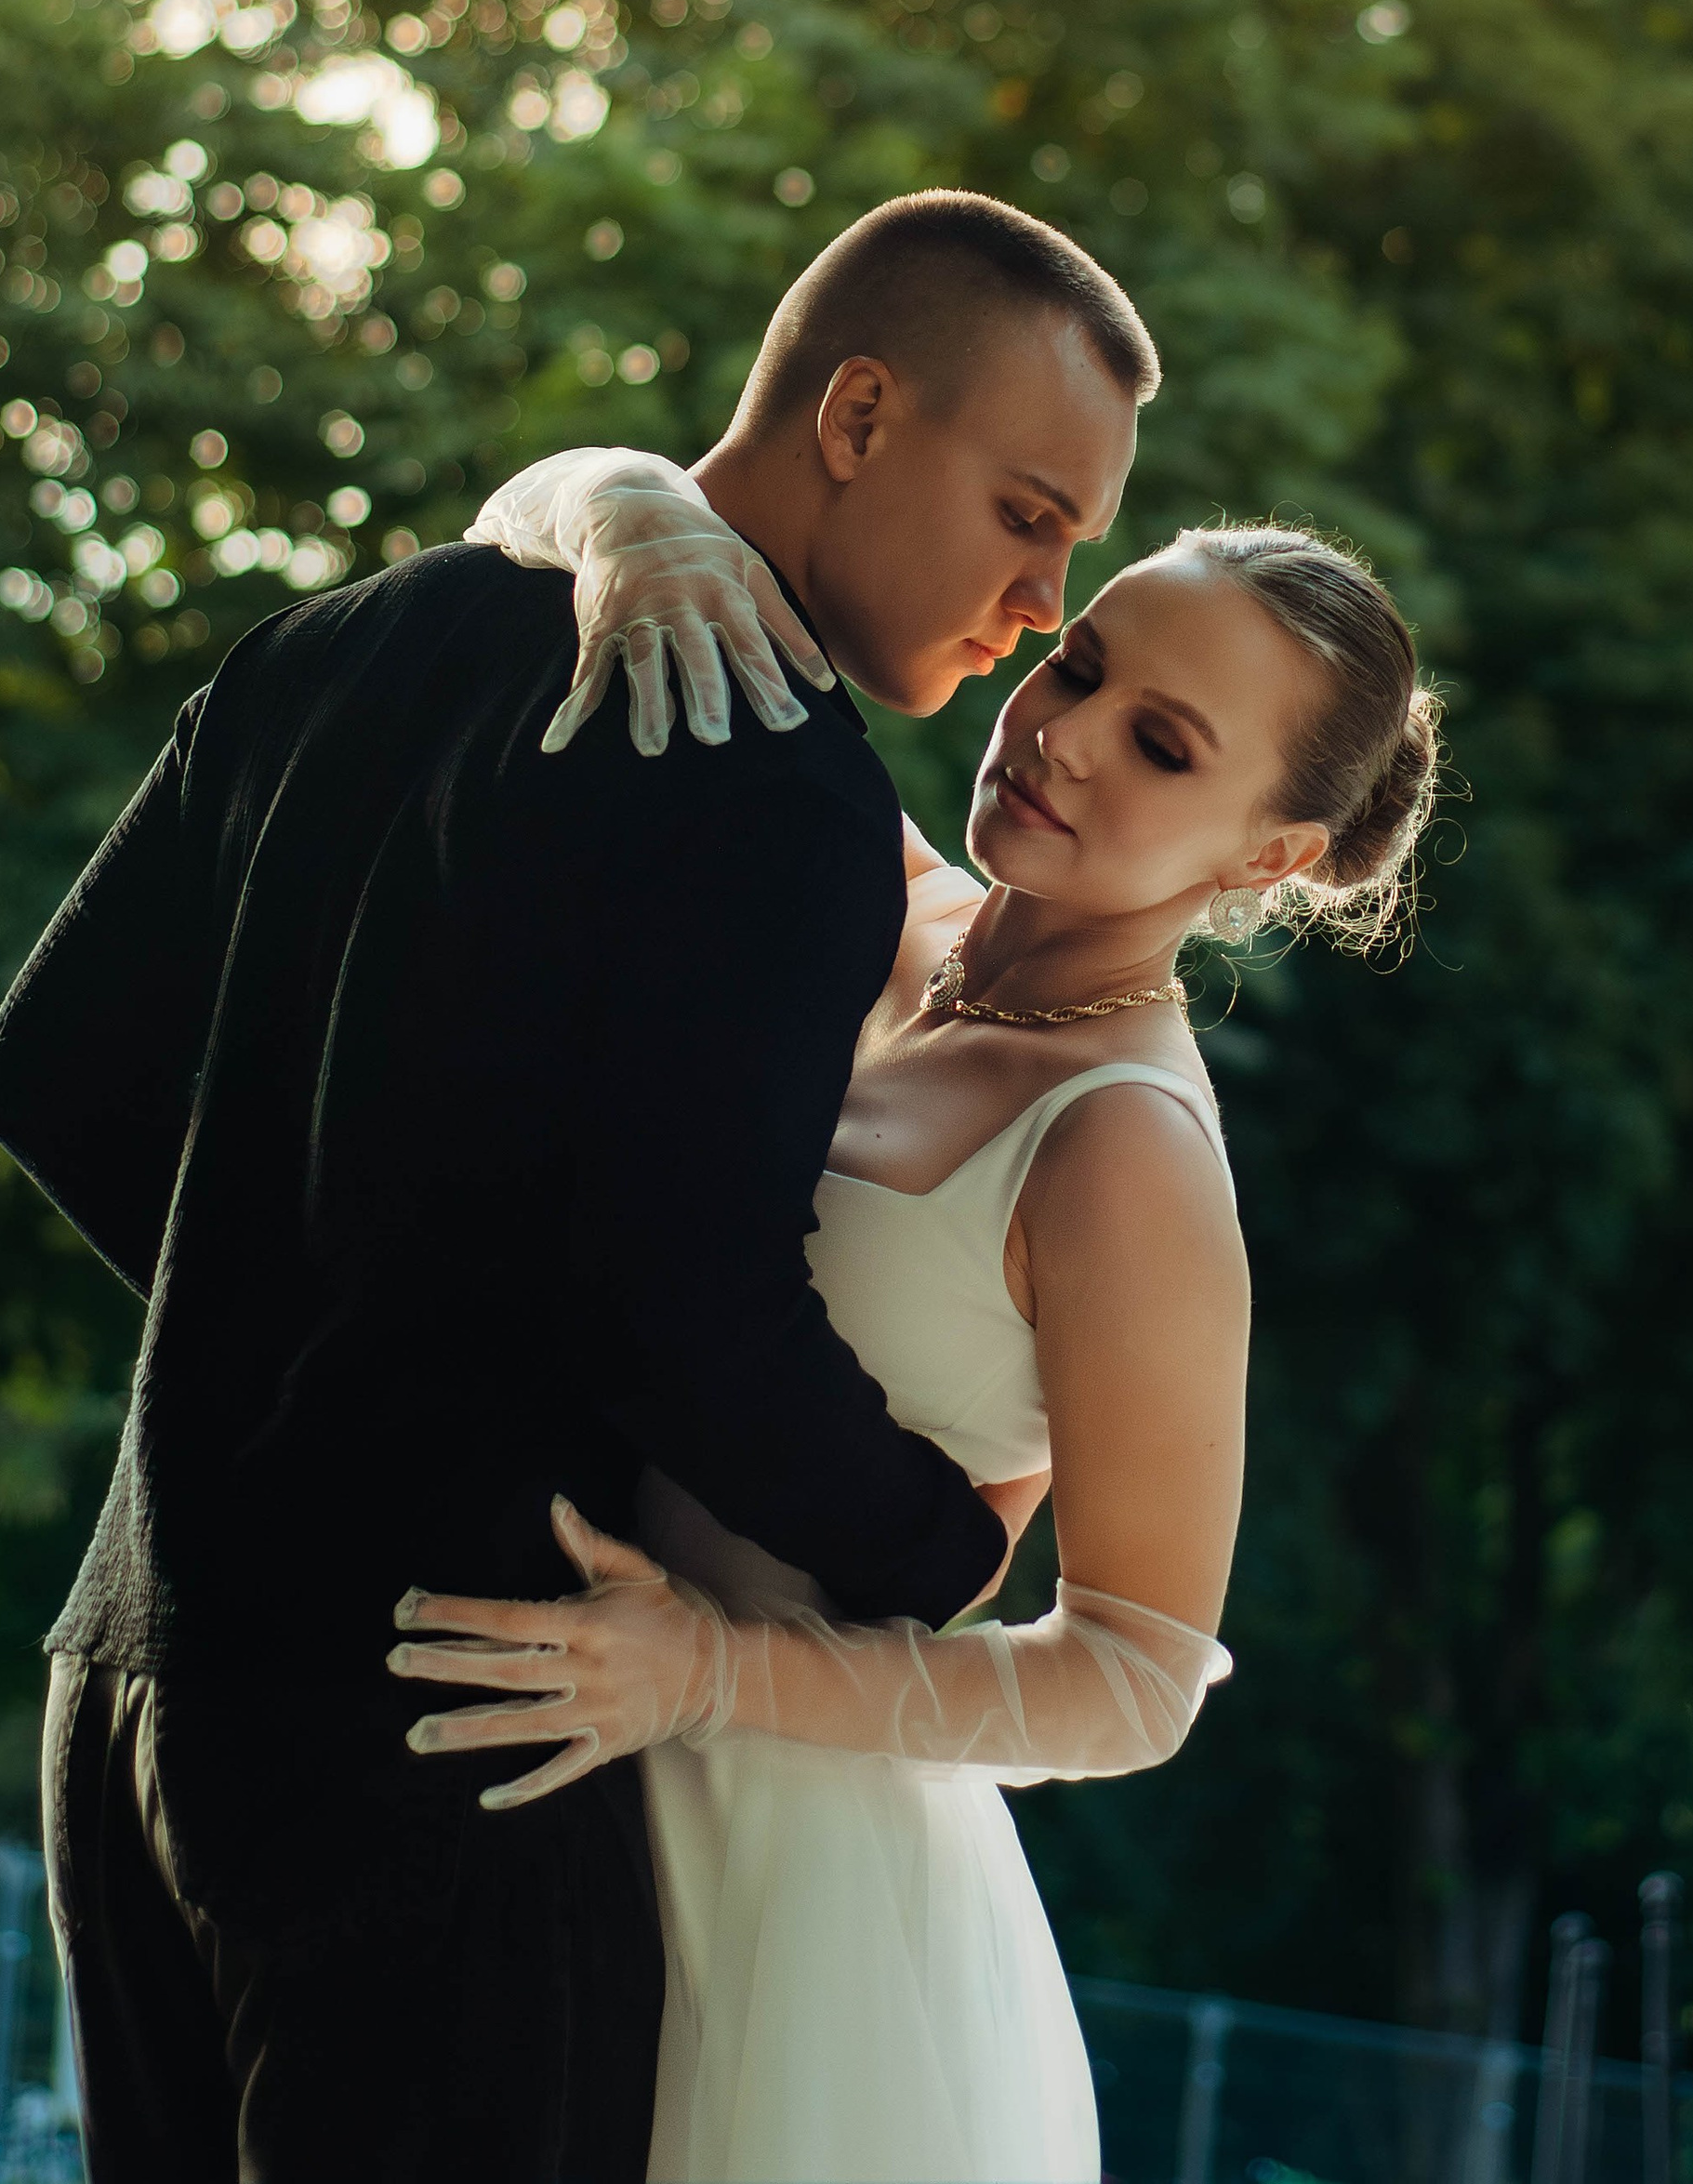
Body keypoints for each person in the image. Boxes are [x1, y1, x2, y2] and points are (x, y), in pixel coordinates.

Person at [0, 191, 1155, 2184]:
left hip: (126, 1690)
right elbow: (683, 1305)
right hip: (448, 1722)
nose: (1042, 600)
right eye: (1028, 511)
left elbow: (50, 1073)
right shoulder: (770, 770)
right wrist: (927, 1546)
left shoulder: (333, 639)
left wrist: (313, 1303)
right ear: (857, 414)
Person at [380, 456, 1438, 2184]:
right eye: (1084, 661)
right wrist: (636, 526)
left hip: (800, 1884)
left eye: (1165, 746)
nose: (1068, 732)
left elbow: (1140, 1682)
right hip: (520, 1791)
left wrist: (711, 1674)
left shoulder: (1126, 1152)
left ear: (1278, 852)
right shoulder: (861, 893)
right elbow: (548, 499)